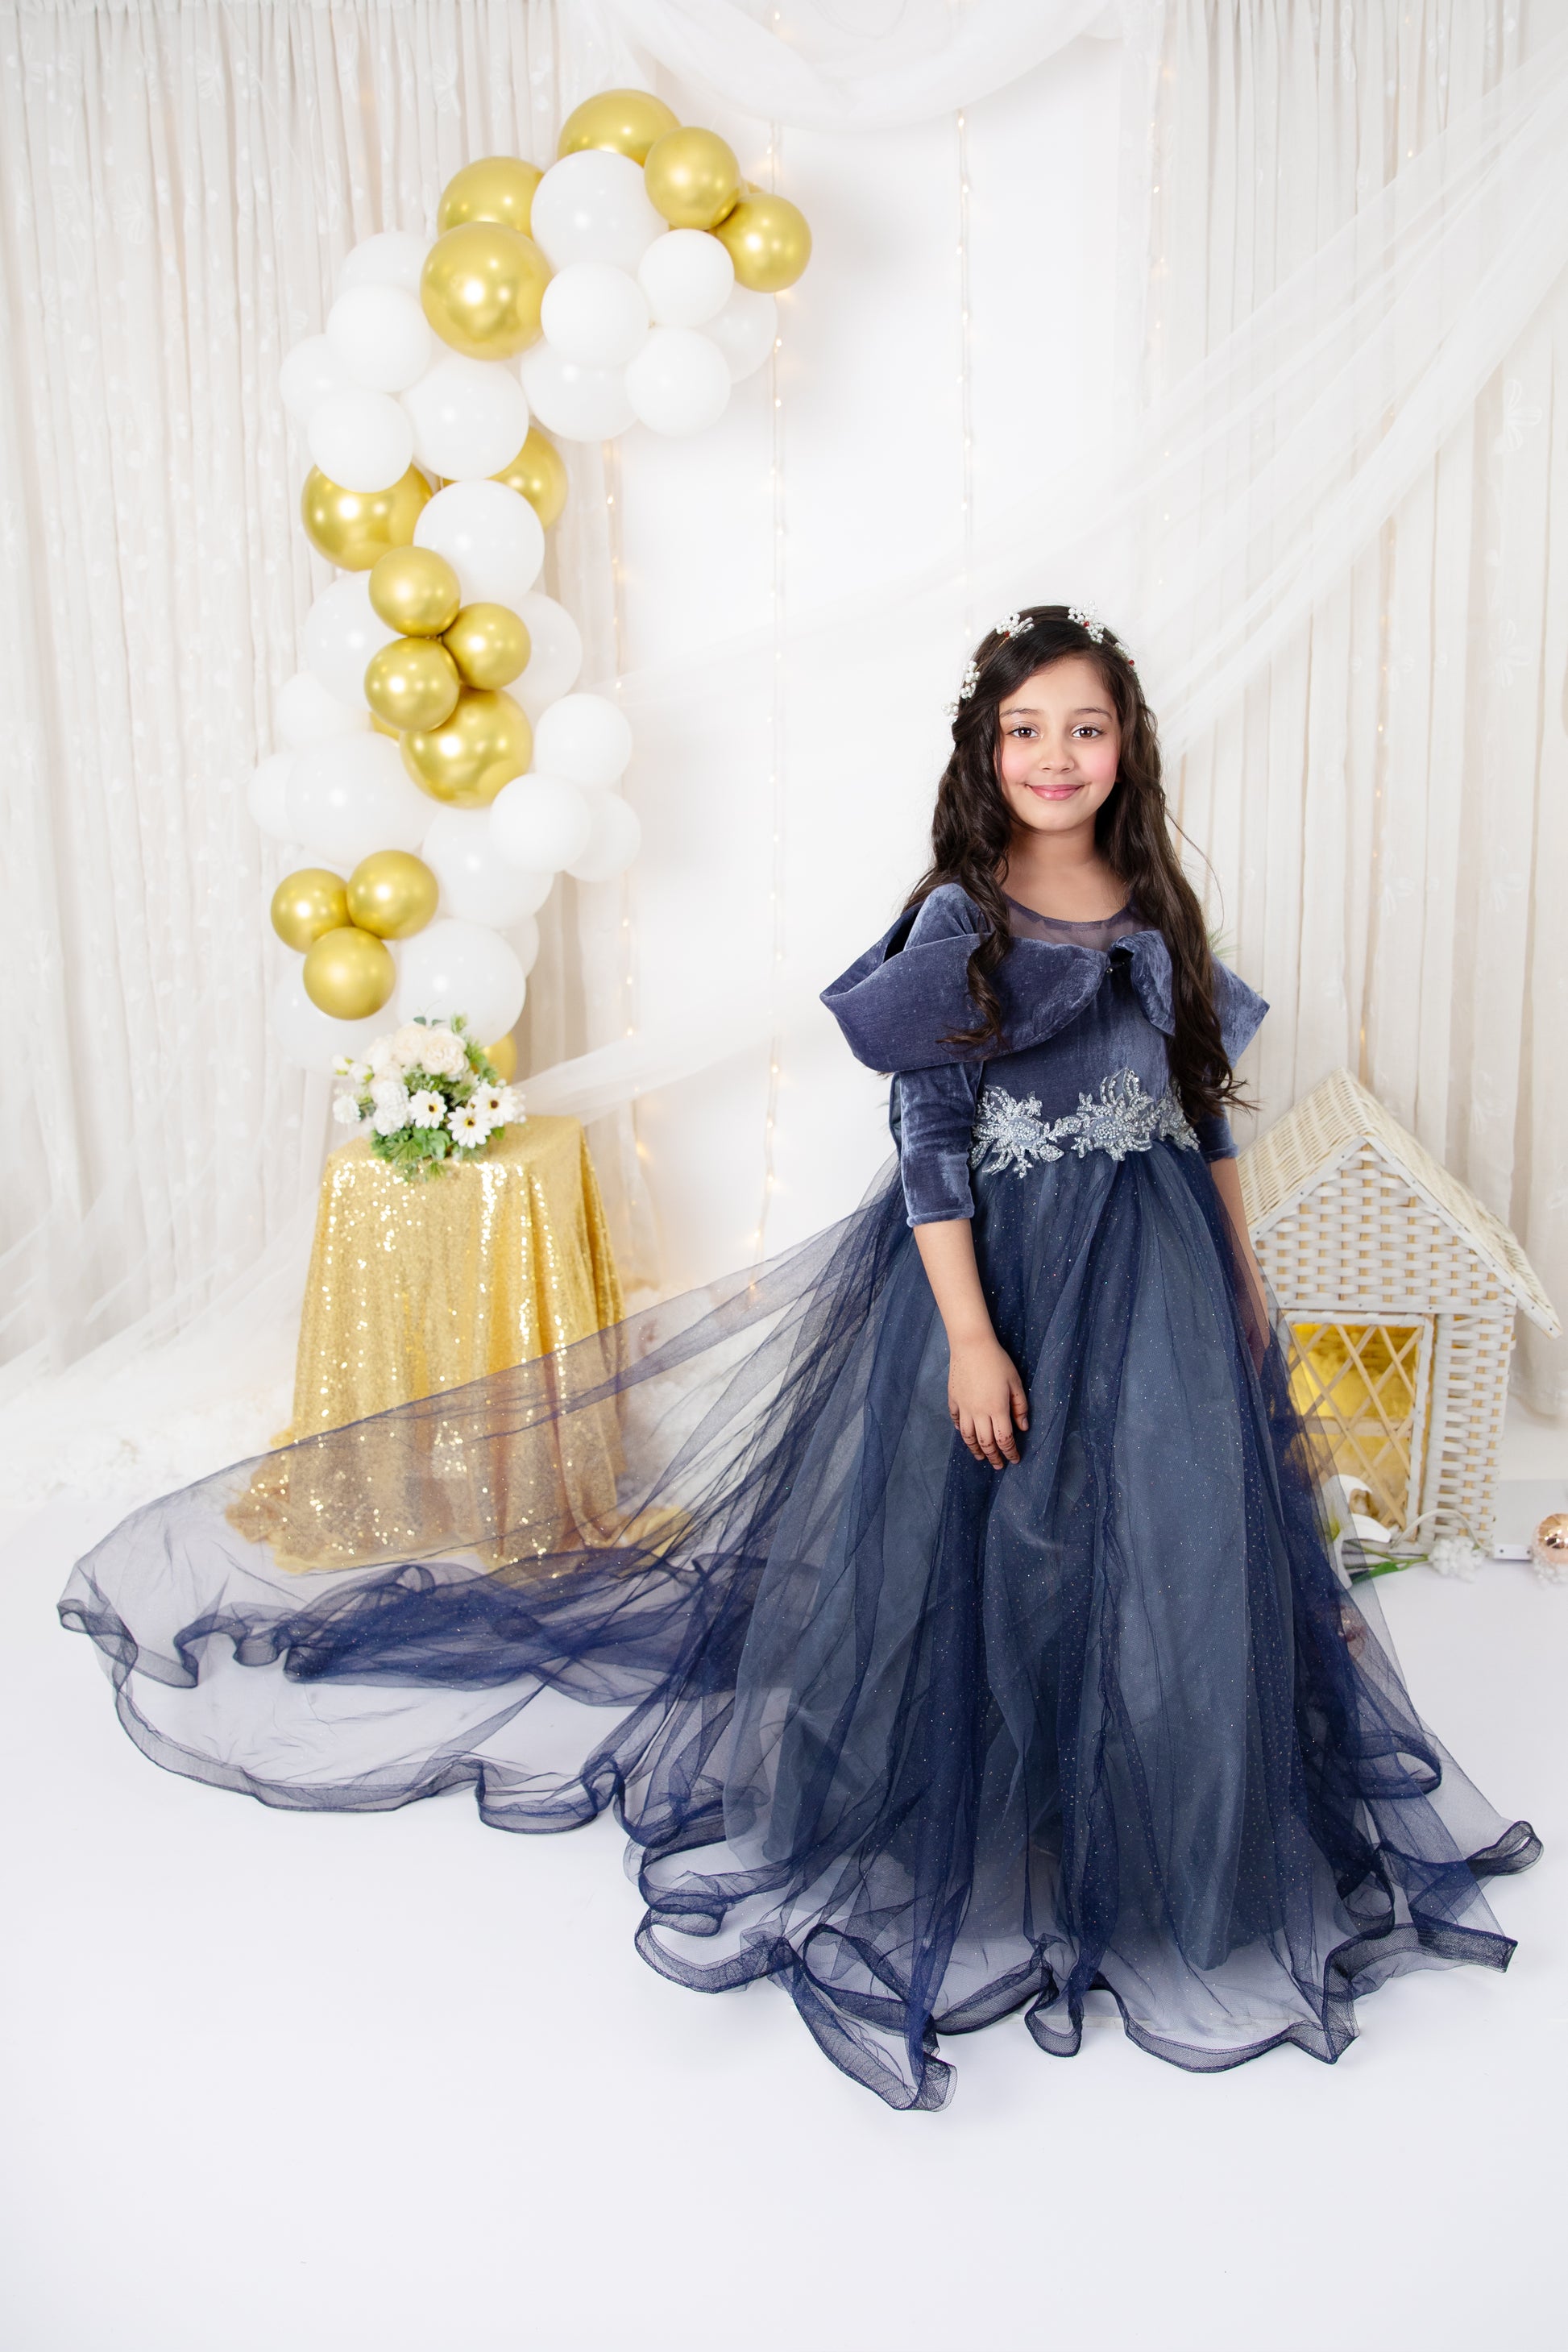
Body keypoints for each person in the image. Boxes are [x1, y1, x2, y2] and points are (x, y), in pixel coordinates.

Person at [61, 603, 1538, 2112]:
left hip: (1152, 1270)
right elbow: (929, 1139)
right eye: (1024, 729)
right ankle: (976, 1814)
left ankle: (1162, 1832)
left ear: (1126, 748)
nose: (1054, 756)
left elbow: (1204, 1113)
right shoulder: (960, 923)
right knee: (987, 1543)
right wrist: (968, 1333)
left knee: (1161, 1543)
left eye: (1084, 728)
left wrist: (1242, 1283)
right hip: (999, 1282)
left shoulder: (1156, 909)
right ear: (985, 749)